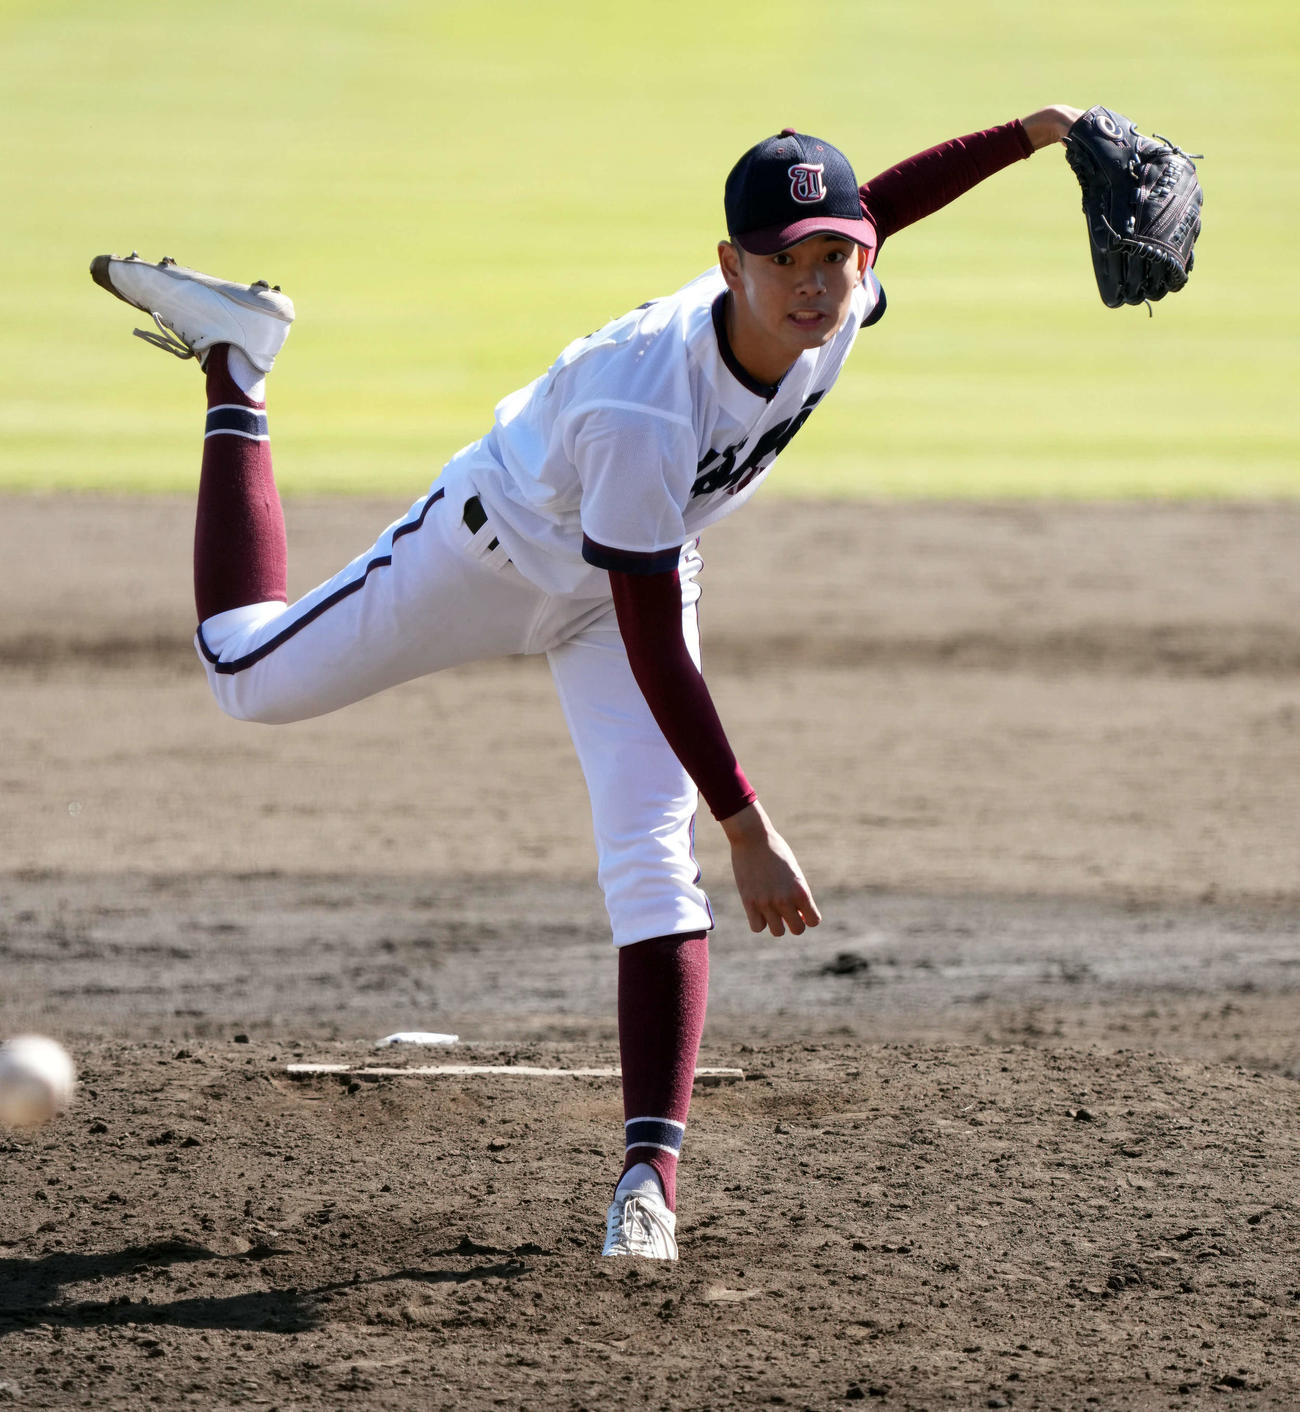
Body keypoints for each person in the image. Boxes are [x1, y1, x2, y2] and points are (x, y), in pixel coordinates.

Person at [91, 104, 1083, 1260]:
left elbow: (889, 204)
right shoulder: (641, 405)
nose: (815, 284)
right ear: (731, 265)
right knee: (243, 674)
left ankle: (646, 1183)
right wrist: (747, 822)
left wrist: (1037, 132)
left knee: (650, 860)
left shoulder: (841, 299)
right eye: (785, 260)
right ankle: (240, 361)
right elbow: (655, 642)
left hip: (631, 573)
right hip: (486, 558)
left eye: (834, 256)